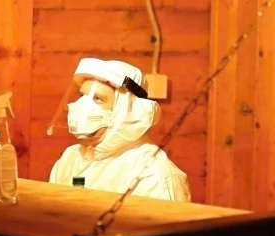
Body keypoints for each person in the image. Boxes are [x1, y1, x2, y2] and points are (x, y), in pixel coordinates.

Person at [48, 57, 191, 201]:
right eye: (81, 95)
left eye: (98, 98)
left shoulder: (152, 173)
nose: (82, 105)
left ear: (124, 110)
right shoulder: (70, 158)